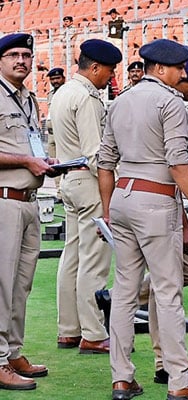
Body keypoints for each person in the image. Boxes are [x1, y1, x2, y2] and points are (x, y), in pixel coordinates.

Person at [97, 38, 188, 400]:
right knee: (168, 292)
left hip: (122, 198)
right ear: (161, 69)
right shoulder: (170, 101)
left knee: (124, 291)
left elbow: (105, 163)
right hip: (155, 200)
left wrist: (107, 211)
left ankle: (122, 378)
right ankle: (180, 380)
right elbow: (178, 163)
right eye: (179, 68)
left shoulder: (120, 100)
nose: (183, 73)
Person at [51, 39, 122, 355]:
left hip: (69, 179)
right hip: (89, 182)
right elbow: (97, 156)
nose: (112, 76)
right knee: (93, 260)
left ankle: (69, 329)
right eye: (109, 70)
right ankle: (93, 332)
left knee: (72, 257)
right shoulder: (88, 98)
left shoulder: (63, 92)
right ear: (94, 68)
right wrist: (111, 197)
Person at [0, 32, 57, 391]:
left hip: (29, 201)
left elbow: (30, 144)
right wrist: (25, 160)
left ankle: (12, 352)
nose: (21, 60)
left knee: (21, 284)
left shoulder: (28, 98)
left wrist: (44, 161)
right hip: (4, 200)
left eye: (26, 55)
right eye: (14, 55)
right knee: (1, 284)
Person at [45, 67, 66, 201]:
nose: (55, 81)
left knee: (64, 162)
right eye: (52, 79)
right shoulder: (50, 94)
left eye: (57, 78)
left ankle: (65, 193)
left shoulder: (67, 92)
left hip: (63, 132)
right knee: (54, 164)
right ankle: (59, 194)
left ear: (63, 78)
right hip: (51, 133)